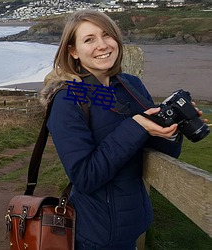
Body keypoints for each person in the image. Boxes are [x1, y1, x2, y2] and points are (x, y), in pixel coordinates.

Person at [40, 10, 202, 250]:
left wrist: (174, 127)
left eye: (107, 35)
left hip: (133, 226)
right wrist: (136, 126)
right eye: (89, 39)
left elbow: (159, 152)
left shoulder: (129, 85)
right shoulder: (68, 100)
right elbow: (84, 176)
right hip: (95, 236)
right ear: (73, 51)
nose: (102, 45)